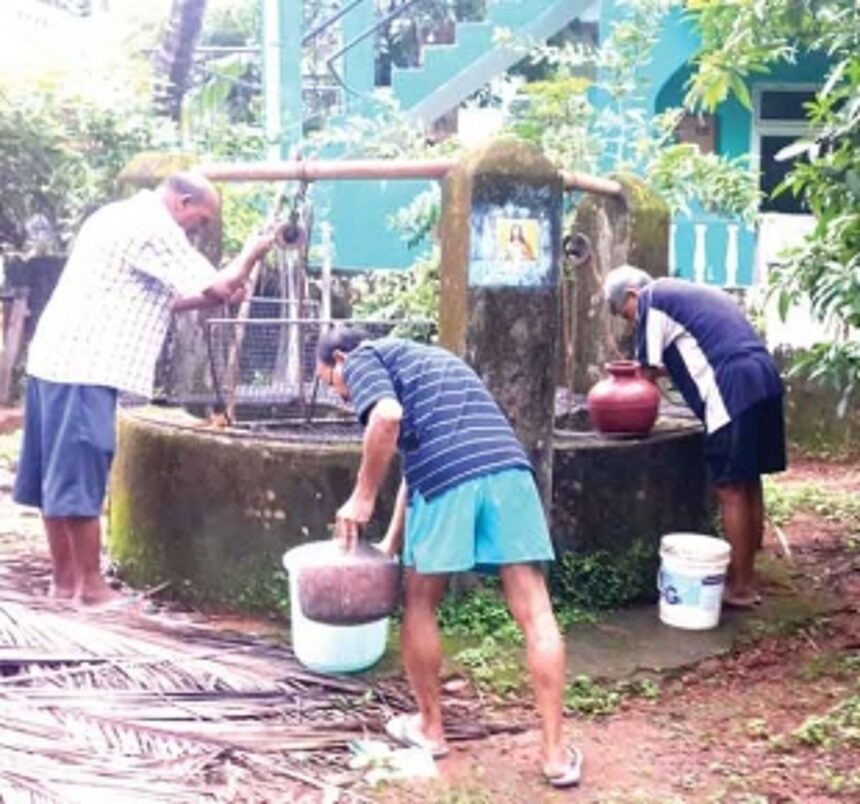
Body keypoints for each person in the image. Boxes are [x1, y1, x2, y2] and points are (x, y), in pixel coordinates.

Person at [315, 327, 583, 789]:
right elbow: (415, 471)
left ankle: (430, 728)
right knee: (536, 611)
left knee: (420, 601)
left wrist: (361, 498)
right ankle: (556, 755)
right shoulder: (425, 362)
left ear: (339, 358)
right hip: (507, 472)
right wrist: (390, 546)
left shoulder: (363, 358)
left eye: (330, 382)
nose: (340, 395)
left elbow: (386, 417)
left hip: (450, 480)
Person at [13, 172, 275, 607]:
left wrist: (213, 295)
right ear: (183, 201)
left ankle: (64, 586)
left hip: (55, 359)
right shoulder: (154, 226)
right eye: (201, 218)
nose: (199, 227)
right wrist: (251, 253)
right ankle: (92, 590)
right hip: (85, 364)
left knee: (55, 480)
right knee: (80, 477)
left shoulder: (114, 216)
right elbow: (219, 284)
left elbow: (155, 297)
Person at [602, 265, 787, 608]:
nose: (630, 323)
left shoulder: (652, 300)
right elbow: (690, 354)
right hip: (763, 377)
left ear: (632, 295)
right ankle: (748, 573)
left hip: (732, 387)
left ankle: (741, 587)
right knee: (749, 480)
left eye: (624, 314)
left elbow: (644, 376)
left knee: (730, 488)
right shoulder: (684, 294)